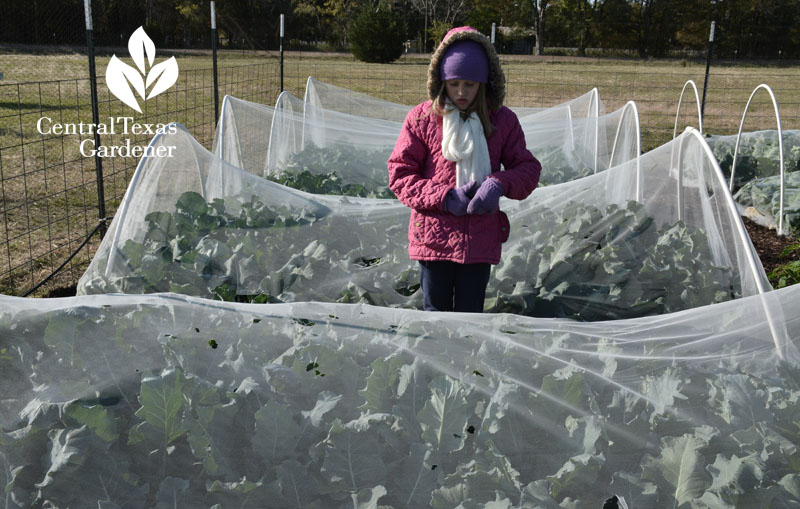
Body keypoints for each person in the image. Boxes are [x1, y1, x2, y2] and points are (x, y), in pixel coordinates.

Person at [388, 26, 541, 313]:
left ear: (484, 83)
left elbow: (528, 169)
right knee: (436, 316)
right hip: (433, 238)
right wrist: (445, 197)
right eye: (453, 83)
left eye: (470, 85)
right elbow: (400, 174)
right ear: (440, 80)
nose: (460, 92)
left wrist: (498, 183)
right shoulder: (421, 119)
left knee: (470, 318)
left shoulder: (502, 121)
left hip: (479, 239)